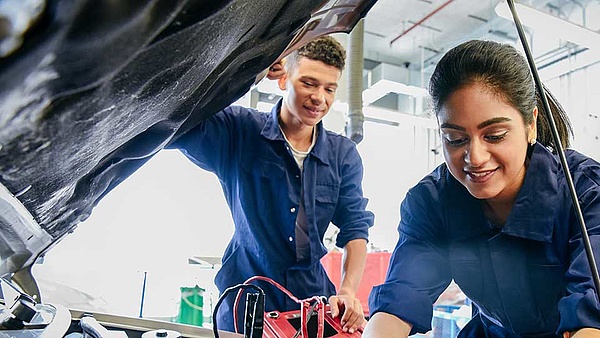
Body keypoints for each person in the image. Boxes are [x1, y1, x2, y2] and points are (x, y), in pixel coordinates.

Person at [362, 39, 600, 338]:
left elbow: (590, 316)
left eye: (495, 135)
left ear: (531, 125)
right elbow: (401, 297)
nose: (474, 158)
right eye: (455, 139)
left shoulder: (587, 192)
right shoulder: (432, 202)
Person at [168, 35, 375, 333]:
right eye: (309, 83)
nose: (320, 98)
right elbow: (179, 117)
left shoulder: (343, 155)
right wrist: (249, 74)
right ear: (282, 80)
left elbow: (355, 228)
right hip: (246, 302)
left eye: (330, 89)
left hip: (312, 304)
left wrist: (347, 291)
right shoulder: (239, 131)